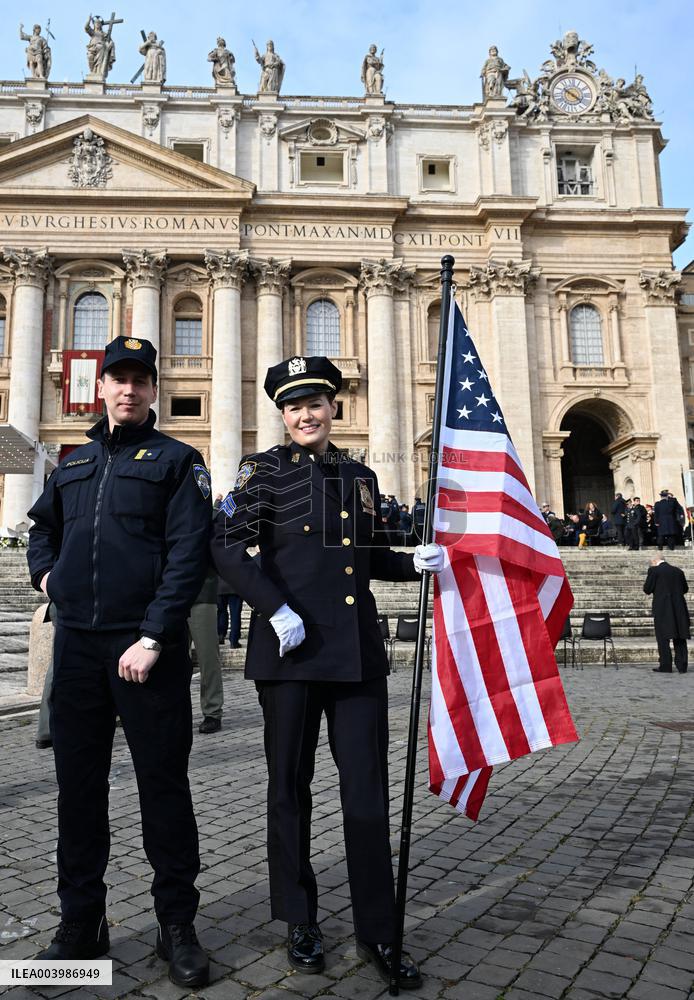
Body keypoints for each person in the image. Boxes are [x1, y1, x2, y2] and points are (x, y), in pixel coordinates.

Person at [211, 355, 445, 988]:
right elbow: (225, 545)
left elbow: (366, 557)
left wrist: (413, 563)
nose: (305, 415)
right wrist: (274, 608)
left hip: (355, 656)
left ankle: (378, 929)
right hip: (289, 653)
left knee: (366, 792)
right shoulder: (263, 472)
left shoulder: (359, 475)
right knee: (289, 789)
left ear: (332, 407)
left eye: (314, 403)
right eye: (293, 406)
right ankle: (299, 919)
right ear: (282, 415)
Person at [26, 336, 212, 988]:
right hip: (78, 647)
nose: (128, 389)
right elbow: (42, 530)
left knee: (164, 790)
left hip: (146, 650)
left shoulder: (179, 461)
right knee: (78, 793)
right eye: (118, 379)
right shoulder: (72, 463)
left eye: (139, 380)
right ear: (101, 387)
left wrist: (155, 635)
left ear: (153, 389)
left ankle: (176, 925)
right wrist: (47, 578)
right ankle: (81, 923)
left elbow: (189, 553)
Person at [189, 566, 224, 734]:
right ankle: (175, 710)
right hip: (168, 593)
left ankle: (212, 711)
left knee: (208, 657)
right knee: (172, 660)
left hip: (201, 592)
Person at [644, 557, 690, 674]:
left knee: (662, 638)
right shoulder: (678, 571)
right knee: (680, 636)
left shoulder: (654, 570)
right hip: (679, 608)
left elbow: (647, 589)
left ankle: (666, 666)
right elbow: (685, 589)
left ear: (654, 561)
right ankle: (682, 666)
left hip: (662, 608)